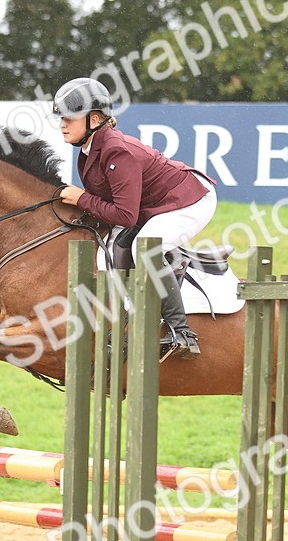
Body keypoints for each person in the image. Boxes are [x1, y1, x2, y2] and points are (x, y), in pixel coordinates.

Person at [53, 77, 217, 360]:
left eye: (69, 117)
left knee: (146, 247)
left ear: (94, 119)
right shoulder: (88, 150)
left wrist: (81, 199)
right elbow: (108, 207)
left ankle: (182, 333)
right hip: (153, 205)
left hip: (189, 200)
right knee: (111, 249)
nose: (62, 124)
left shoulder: (116, 150)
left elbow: (125, 216)